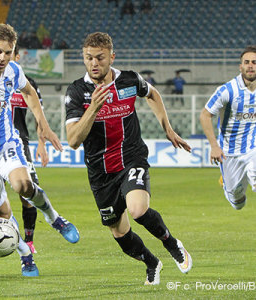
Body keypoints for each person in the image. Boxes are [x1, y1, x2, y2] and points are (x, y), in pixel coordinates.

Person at [65, 32, 192, 285]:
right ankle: (151, 262)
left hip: (131, 158)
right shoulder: (77, 92)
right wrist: (93, 109)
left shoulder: (129, 80)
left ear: (112, 57)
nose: (94, 64)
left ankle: (171, 243)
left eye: (100, 58)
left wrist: (167, 127)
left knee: (137, 209)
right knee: (119, 232)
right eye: (88, 58)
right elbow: (73, 140)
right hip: (101, 172)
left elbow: (152, 94)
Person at [0, 23, 79, 277]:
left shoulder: (13, 71)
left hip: (5, 144)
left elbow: (30, 93)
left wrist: (43, 126)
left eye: (8, 52)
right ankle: (25, 253)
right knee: (2, 214)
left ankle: (54, 217)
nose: (3, 58)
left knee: (23, 185)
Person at [200, 45, 256, 210]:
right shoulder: (227, 91)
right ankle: (232, 182)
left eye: (254, 62)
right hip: (229, 153)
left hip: (253, 148)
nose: (250, 65)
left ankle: (249, 172)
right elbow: (205, 115)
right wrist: (214, 146)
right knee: (237, 202)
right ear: (241, 67)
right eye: (247, 62)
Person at [10, 44, 46, 254]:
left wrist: (41, 144)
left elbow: (38, 115)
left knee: (29, 192)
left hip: (21, 143)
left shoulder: (28, 84)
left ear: (17, 57)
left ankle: (29, 239)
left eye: (11, 55)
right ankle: (8, 235)